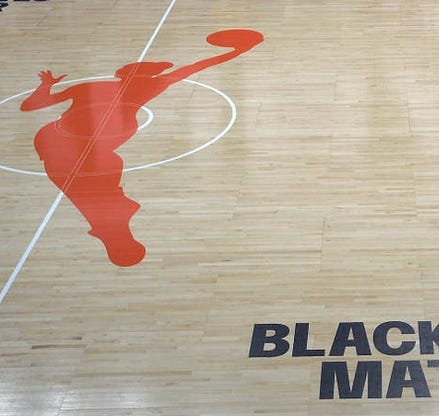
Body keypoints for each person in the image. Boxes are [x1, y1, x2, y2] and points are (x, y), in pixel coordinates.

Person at [20, 29, 264, 266]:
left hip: (64, 145)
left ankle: (114, 237)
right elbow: (193, 68)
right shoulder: (148, 87)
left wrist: (46, 85)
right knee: (102, 198)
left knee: (101, 199)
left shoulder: (98, 88)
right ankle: (114, 237)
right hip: (70, 146)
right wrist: (237, 52)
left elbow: (30, 106)